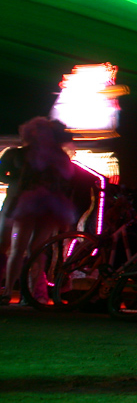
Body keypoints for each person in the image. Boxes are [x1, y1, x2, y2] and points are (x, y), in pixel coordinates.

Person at [1, 117, 76, 305]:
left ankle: (27, 292)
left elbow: (65, 181)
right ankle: (12, 290)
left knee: (34, 251)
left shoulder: (56, 157)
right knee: (21, 249)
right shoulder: (17, 154)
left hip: (46, 205)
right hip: (27, 204)